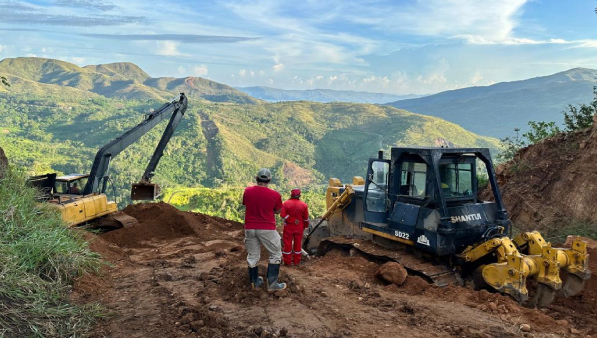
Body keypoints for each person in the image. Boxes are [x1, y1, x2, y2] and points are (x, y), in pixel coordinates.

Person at [242, 168, 287, 291]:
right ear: (269, 180)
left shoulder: (247, 191)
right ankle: (272, 284)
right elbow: (278, 211)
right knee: (276, 254)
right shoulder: (275, 195)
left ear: (256, 179)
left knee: (253, 255)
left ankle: (254, 282)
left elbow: (246, 204)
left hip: (250, 228)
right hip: (267, 229)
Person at [280, 188, 309, 266]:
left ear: (291, 195)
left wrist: (291, 220)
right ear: (299, 195)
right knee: (298, 244)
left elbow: (282, 215)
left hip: (288, 228)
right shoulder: (304, 205)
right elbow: (306, 219)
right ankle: (296, 262)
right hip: (299, 228)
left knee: (287, 244)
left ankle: (287, 262)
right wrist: (305, 226)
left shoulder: (285, 204)